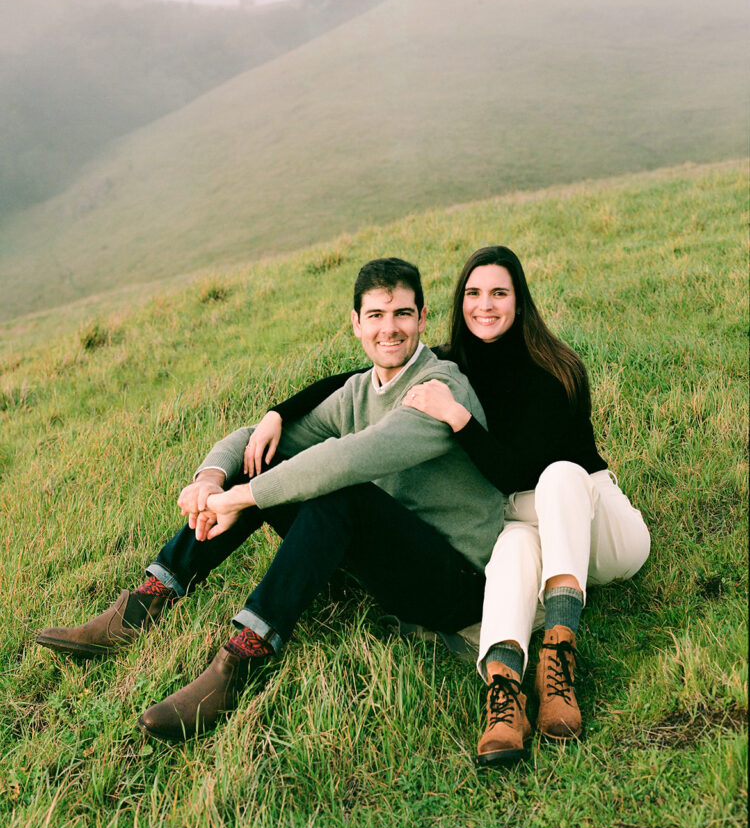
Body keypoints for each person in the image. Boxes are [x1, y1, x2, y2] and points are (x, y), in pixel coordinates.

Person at [37, 258, 504, 741]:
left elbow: (349, 460)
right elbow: (258, 440)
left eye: (403, 314)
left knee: (336, 494)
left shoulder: (440, 388)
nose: (391, 329)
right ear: (356, 324)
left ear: (423, 318)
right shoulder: (358, 391)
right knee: (264, 455)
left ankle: (242, 657)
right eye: (376, 316)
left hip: (457, 584)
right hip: (393, 563)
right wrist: (212, 479)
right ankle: (147, 601)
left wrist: (242, 498)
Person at [251, 246, 651, 765]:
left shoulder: (554, 370)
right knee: (510, 550)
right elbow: (354, 377)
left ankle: (559, 657)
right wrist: (278, 412)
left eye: (499, 294)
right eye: (473, 294)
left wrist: (458, 419)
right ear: (459, 302)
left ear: (520, 301)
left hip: (595, 525)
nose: (485, 306)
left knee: (558, 477)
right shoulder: (453, 362)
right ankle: (504, 693)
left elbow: (516, 471)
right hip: (521, 520)